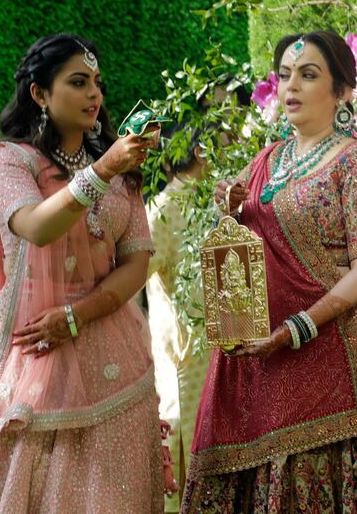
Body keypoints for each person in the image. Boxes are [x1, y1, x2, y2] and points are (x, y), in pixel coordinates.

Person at [182, 30, 357, 512]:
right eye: (286, 75)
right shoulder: (267, 160)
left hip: (338, 354)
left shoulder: (356, 163)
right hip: (264, 360)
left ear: (342, 91)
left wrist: (300, 326)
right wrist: (232, 211)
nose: (291, 85)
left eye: (309, 75)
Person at [0, 34, 164, 513]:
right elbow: (37, 227)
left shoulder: (119, 172)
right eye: (79, 83)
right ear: (39, 94)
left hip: (112, 348)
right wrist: (102, 171)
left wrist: (79, 314)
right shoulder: (8, 161)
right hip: (32, 352)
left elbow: (136, 263)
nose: (95, 96)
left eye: (98, 85)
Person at [146, 126, 212, 512]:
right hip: (186, 364)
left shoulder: (207, 204)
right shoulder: (166, 209)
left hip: (200, 360)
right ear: (201, 152)